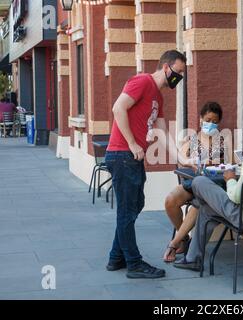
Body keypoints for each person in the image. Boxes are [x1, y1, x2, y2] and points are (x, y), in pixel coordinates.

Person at [105, 50, 188, 279]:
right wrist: (132, 143)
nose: (179, 77)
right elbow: (118, 108)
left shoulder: (158, 97)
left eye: (182, 73)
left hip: (132, 158)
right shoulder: (142, 81)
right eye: (178, 71)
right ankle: (134, 263)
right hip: (123, 155)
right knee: (127, 210)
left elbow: (161, 130)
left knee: (134, 205)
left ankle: (116, 257)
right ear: (165, 67)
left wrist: (181, 158)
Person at [163, 102, 231, 263]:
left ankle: (174, 243)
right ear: (201, 119)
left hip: (212, 186)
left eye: (215, 121)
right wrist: (187, 157)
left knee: (198, 202)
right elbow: (181, 160)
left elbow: (231, 165)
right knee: (170, 200)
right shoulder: (192, 139)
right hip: (192, 183)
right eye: (208, 120)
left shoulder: (223, 140)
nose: (211, 124)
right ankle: (185, 238)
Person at [173, 154, 243, 271]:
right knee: (206, 209)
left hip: (242, 216)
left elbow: (236, 196)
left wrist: (230, 180)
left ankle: (200, 201)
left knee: (199, 181)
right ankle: (192, 259)